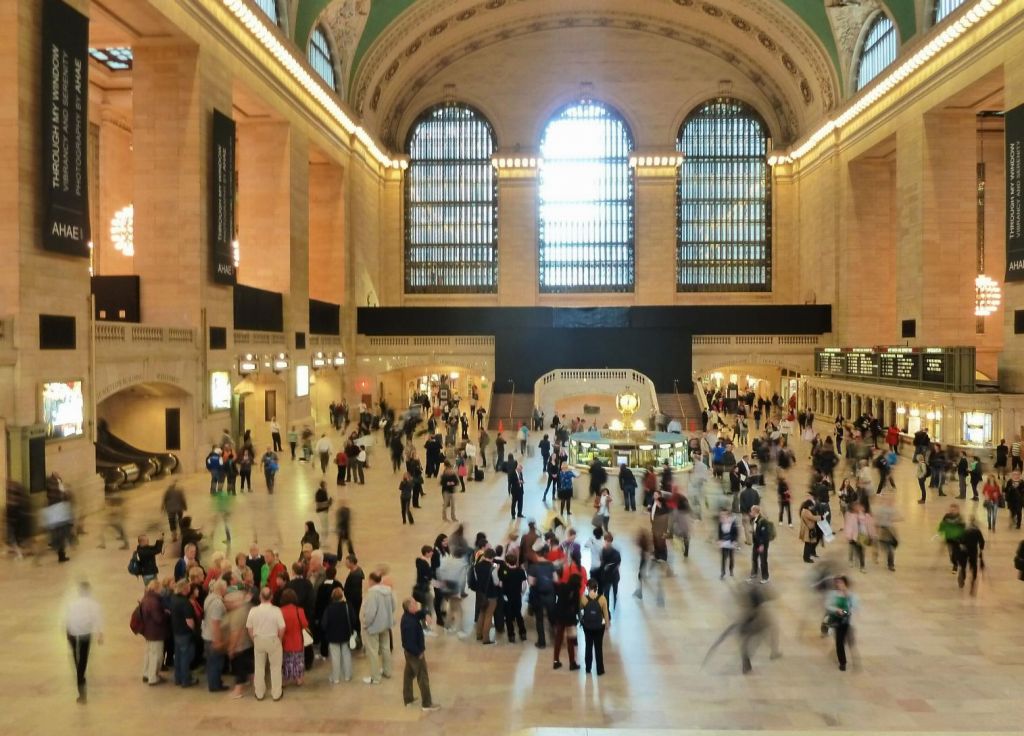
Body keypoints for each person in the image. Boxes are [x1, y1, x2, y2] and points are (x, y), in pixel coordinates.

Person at [66, 581, 104, 703]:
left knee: (75, 654)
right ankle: (80, 676)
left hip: (72, 632)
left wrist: (68, 632)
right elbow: (97, 619)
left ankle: (79, 672)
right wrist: (100, 634)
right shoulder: (93, 604)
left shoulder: (73, 604)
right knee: (83, 657)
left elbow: (68, 617)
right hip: (85, 634)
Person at [400, 597, 441, 711]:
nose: (417, 604)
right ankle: (427, 704)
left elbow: (421, 612)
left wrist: (426, 614)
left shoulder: (411, 615)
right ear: (409, 608)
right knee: (422, 676)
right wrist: (419, 652)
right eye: (414, 604)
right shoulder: (409, 623)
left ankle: (408, 699)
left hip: (410, 653)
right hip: (414, 654)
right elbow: (409, 642)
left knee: (408, 675)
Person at [246, 587, 285, 701]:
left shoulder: (253, 610)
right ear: (272, 597)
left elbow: (249, 628)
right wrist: (280, 639)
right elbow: (282, 627)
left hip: (258, 639)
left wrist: (254, 639)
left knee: (259, 667)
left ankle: (259, 693)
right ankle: (276, 693)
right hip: (273, 639)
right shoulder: (276, 610)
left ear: (260, 597)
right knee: (275, 667)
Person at [361, 571, 396, 685]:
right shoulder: (388, 591)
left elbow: (370, 612)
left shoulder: (372, 593)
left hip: (374, 626)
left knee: (373, 651)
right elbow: (394, 606)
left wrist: (365, 623)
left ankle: (375, 677)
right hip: (386, 624)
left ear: (371, 580)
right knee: (385, 648)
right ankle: (387, 671)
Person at [321, 587, 354, 684]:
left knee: (335, 657)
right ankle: (348, 675)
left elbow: (324, 624)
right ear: (342, 596)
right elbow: (353, 620)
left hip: (333, 636)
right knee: (346, 655)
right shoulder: (348, 606)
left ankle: (336, 678)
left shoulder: (329, 609)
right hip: (346, 635)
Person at [139, 579, 168, 686]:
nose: (162, 590)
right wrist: (166, 613)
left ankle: (146, 673)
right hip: (156, 632)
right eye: (160, 588)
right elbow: (158, 618)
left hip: (148, 631)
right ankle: (153, 677)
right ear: (156, 589)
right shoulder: (154, 601)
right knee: (157, 655)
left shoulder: (146, 598)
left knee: (149, 653)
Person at [169, 579, 198, 687]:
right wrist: (194, 631)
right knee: (186, 657)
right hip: (185, 634)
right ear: (185, 589)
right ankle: (186, 680)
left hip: (176, 632)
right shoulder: (185, 603)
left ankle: (178, 679)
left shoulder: (173, 598)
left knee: (178, 657)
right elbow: (189, 621)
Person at [202, 579, 229, 692]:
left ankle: (215, 681)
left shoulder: (209, 597)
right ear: (222, 589)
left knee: (212, 662)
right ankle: (215, 685)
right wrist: (218, 641)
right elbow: (216, 623)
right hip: (213, 637)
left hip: (207, 634)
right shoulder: (217, 604)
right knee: (215, 663)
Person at [825, 576, 856, 671]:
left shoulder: (850, 595)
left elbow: (853, 608)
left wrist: (845, 612)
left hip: (846, 621)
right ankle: (843, 663)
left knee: (848, 642)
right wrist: (837, 610)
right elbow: (828, 605)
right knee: (839, 642)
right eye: (837, 583)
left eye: (841, 582)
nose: (839, 584)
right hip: (837, 620)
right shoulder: (833, 594)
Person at [279, 588, 309, 687]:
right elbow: (305, 624)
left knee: (286, 660)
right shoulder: (299, 610)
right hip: (297, 640)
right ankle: (299, 679)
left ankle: (285, 679)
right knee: (298, 660)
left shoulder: (280, 611)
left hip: (284, 641)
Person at [579, 579, 610, 676]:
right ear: (597, 588)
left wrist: (581, 621)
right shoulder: (602, 599)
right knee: (598, 648)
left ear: (588, 587)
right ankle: (600, 670)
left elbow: (579, 611)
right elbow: (606, 614)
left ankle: (588, 668)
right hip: (599, 627)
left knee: (588, 646)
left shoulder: (583, 599)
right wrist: (607, 625)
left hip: (587, 626)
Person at [552, 572, 580, 670]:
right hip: (570, 618)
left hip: (559, 616)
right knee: (570, 641)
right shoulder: (576, 592)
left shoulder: (562, 586)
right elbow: (577, 608)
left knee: (558, 639)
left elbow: (555, 589)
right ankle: (572, 663)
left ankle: (556, 661)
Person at [957, 519, 986, 595]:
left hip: (963, 550)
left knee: (963, 565)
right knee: (973, 565)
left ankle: (962, 576)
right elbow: (982, 541)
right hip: (973, 550)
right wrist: (981, 549)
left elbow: (958, 540)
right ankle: (973, 579)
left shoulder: (963, 530)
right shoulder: (977, 531)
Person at [749, 506, 771, 584]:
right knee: (754, 558)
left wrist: (762, 545)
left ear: (755, 512)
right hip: (756, 543)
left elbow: (764, 535)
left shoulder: (763, 521)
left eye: (751, 511)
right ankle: (754, 573)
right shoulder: (752, 519)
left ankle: (765, 577)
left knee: (763, 561)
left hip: (762, 544)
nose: (750, 512)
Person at [717, 508, 739, 579]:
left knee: (731, 557)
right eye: (721, 515)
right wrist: (719, 540)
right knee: (724, 558)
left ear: (727, 515)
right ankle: (723, 572)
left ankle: (731, 569)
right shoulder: (720, 523)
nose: (722, 516)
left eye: (723, 514)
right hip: (724, 542)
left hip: (731, 541)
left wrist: (735, 541)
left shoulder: (733, 522)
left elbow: (736, 533)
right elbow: (719, 532)